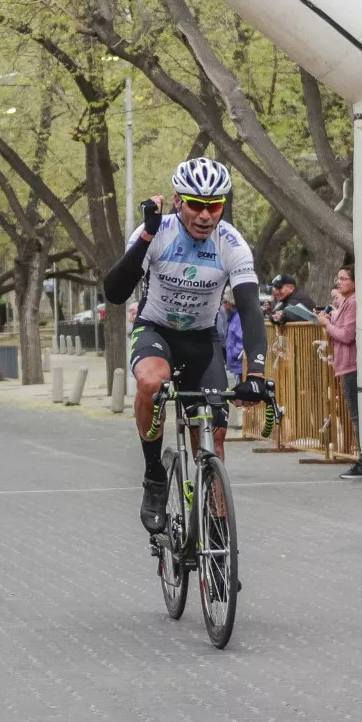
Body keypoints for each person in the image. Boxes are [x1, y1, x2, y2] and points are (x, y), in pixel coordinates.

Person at [102, 157, 271, 534]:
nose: (205, 215)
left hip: (202, 341)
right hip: (156, 331)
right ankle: (154, 477)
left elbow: (249, 309)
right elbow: (114, 292)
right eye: (196, 204)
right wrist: (146, 236)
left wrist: (256, 373)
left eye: (214, 206)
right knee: (151, 382)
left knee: (213, 439)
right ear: (178, 200)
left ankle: (218, 535)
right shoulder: (155, 232)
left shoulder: (231, 244)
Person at [318, 265, 362, 479]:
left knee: (357, 414)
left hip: (352, 364)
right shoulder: (348, 302)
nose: (339, 282)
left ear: (355, 282)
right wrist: (328, 320)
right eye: (337, 278)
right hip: (345, 364)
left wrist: (326, 324)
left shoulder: (354, 302)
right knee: (354, 413)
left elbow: (347, 335)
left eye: (343, 279)